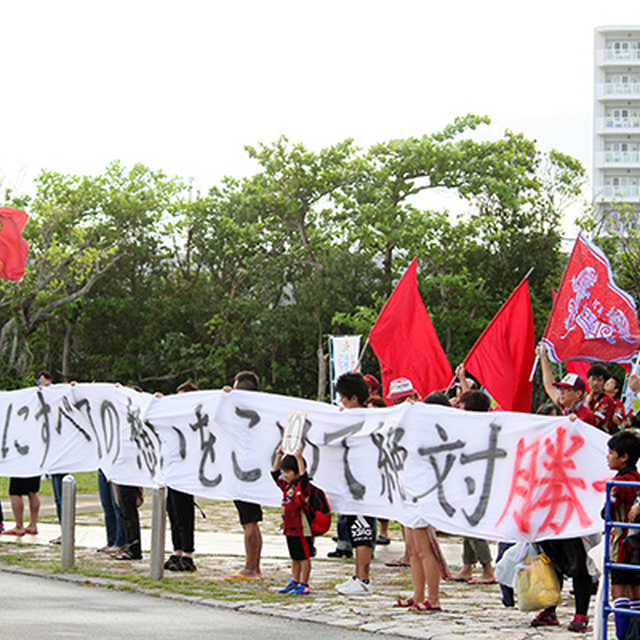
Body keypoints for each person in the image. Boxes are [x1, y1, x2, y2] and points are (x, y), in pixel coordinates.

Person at [394, 390, 450, 612]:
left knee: (426, 550)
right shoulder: (414, 428)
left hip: (424, 494)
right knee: (414, 550)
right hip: (409, 492)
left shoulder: (438, 434)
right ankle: (417, 594)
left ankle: (433, 597)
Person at [331, 372, 377, 595]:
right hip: (349, 484)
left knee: (362, 533)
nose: (341, 402)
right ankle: (357, 575)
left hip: (363, 486)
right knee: (354, 530)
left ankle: (364, 579)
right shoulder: (350, 417)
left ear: (353, 398)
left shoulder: (370, 419)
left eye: (343, 397)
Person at [449, 390, 496, 584]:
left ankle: (487, 569)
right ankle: (467, 566)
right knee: (465, 523)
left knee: (471, 525)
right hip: (466, 479)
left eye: (461, 404)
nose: (457, 407)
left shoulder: (479, 429)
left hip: (476, 481)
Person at [224, 370, 264, 581]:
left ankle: (251, 567)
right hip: (251, 469)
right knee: (251, 521)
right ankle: (253, 565)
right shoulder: (262, 409)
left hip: (245, 471)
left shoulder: (245, 411)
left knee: (249, 521)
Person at [606, 431, 640, 640]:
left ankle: (622, 635)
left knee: (618, 592)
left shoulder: (619, 484)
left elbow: (607, 511)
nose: (608, 457)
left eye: (611, 453)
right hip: (637, 544)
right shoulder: (638, 478)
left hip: (621, 544)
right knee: (636, 592)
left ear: (624, 456)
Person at [164, 381, 199, 572]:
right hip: (172, 471)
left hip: (187, 471)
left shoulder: (195, 418)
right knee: (173, 512)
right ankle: (177, 550)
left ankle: (188, 553)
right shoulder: (175, 419)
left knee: (185, 513)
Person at [272, 445, 314, 595]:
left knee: (304, 556)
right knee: (294, 556)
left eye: (288, 471)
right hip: (289, 527)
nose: (285, 475)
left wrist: (298, 458)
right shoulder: (287, 486)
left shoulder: (302, 487)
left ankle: (304, 583)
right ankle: (295, 581)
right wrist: (278, 456)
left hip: (301, 527)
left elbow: (303, 476)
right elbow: (274, 474)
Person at [536, 344, 598, 426]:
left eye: (566, 390)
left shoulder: (586, 416)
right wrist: (543, 357)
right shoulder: (563, 407)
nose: (561, 393)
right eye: (561, 389)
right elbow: (550, 386)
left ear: (578, 394)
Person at [584, 363, 616, 433]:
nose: (595, 383)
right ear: (588, 380)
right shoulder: (583, 397)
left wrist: (586, 405)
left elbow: (594, 422)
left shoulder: (607, 401)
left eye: (599, 380)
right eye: (593, 379)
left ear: (604, 383)